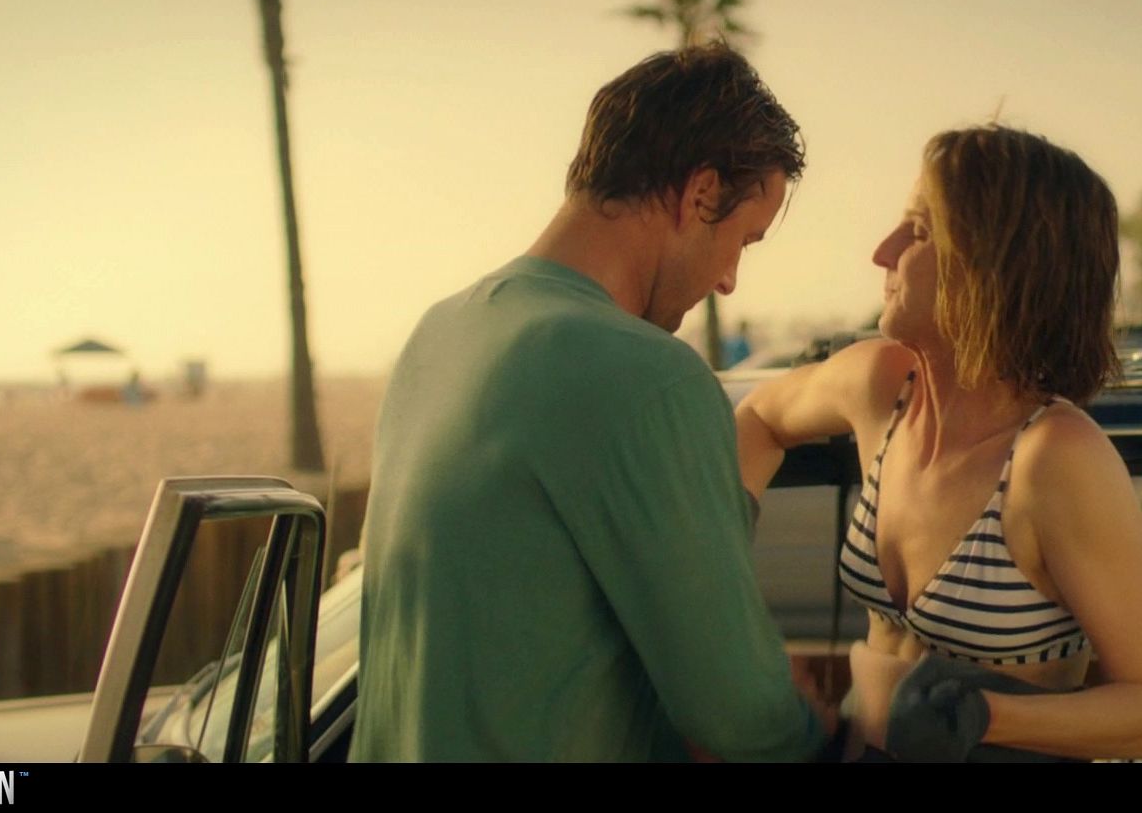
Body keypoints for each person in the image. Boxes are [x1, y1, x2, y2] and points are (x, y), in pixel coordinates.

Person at [349, 43, 834, 762]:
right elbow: (740, 717)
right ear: (701, 193)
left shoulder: (440, 333)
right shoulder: (649, 377)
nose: (730, 278)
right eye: (743, 240)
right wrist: (827, 732)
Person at [735, 124, 1142, 762]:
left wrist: (983, 715)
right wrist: (717, 568)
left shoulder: (1055, 459)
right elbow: (756, 418)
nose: (882, 252)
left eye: (920, 231)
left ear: (994, 267)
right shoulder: (879, 387)